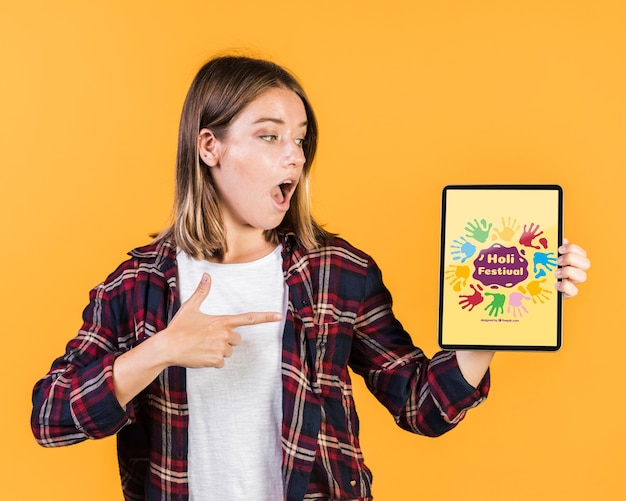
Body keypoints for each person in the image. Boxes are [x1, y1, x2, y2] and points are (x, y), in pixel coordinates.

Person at [31, 55, 591, 501]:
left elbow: (420, 404)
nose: (294, 156)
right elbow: (51, 417)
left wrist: (501, 314)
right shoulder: (138, 284)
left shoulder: (336, 271)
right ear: (210, 147)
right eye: (270, 136)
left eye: (300, 139)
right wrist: (161, 349)